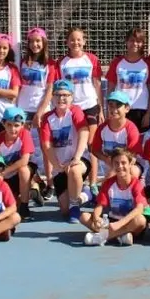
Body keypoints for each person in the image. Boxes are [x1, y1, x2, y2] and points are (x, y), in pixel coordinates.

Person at [39, 80, 93, 223]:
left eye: (65, 95)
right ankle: (86, 194)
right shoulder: (47, 118)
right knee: (64, 210)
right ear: (52, 97)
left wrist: (76, 158)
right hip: (61, 166)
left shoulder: (75, 111)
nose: (61, 98)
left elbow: (84, 132)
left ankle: (75, 207)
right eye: (57, 95)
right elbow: (47, 145)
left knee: (74, 170)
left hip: (79, 160)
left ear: (71, 97)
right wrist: (57, 166)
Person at [57, 27, 104, 188]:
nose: (75, 42)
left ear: (84, 41)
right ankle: (76, 179)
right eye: (72, 39)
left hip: (90, 105)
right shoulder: (62, 62)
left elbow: (97, 85)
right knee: (74, 144)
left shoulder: (91, 59)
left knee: (91, 144)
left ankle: (93, 182)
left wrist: (101, 108)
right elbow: (59, 88)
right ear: (67, 42)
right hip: (71, 108)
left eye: (79, 39)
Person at [16, 27, 57, 194]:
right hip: (23, 109)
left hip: (42, 109)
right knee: (24, 147)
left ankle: (50, 183)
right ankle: (34, 180)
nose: (35, 44)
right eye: (32, 41)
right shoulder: (22, 62)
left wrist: (40, 112)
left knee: (45, 147)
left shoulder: (50, 64)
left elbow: (49, 91)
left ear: (44, 42)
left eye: (38, 41)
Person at [80, 148, 148, 246]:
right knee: (84, 217)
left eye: (123, 163)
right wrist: (96, 218)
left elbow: (139, 209)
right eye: (116, 163)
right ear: (112, 165)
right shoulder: (108, 183)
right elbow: (99, 206)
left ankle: (103, 237)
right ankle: (121, 236)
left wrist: (119, 224)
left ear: (130, 164)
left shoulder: (137, 184)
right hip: (112, 221)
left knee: (141, 220)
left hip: (129, 223)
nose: (120, 166)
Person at [0, 106, 39, 219]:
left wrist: (4, 172)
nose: (13, 129)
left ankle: (25, 206)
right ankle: (34, 191)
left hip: (22, 170)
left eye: (16, 125)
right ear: (3, 124)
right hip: (7, 175)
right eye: (9, 125)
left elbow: (24, 161)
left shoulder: (25, 134)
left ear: (22, 125)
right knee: (11, 206)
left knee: (23, 170)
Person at [106, 27, 150, 134]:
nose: (135, 44)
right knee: (121, 139)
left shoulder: (147, 63)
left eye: (138, 41)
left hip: (141, 109)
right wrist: (109, 109)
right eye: (132, 40)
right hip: (120, 109)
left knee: (139, 141)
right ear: (126, 41)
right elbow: (110, 89)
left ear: (143, 43)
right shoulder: (117, 62)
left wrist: (148, 113)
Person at [91, 91, 142, 179]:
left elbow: (133, 156)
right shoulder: (102, 128)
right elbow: (95, 150)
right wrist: (105, 159)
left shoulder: (131, 129)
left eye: (118, 105)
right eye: (111, 105)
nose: (114, 109)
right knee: (111, 177)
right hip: (111, 165)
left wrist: (117, 169)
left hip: (130, 164)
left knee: (132, 172)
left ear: (127, 108)